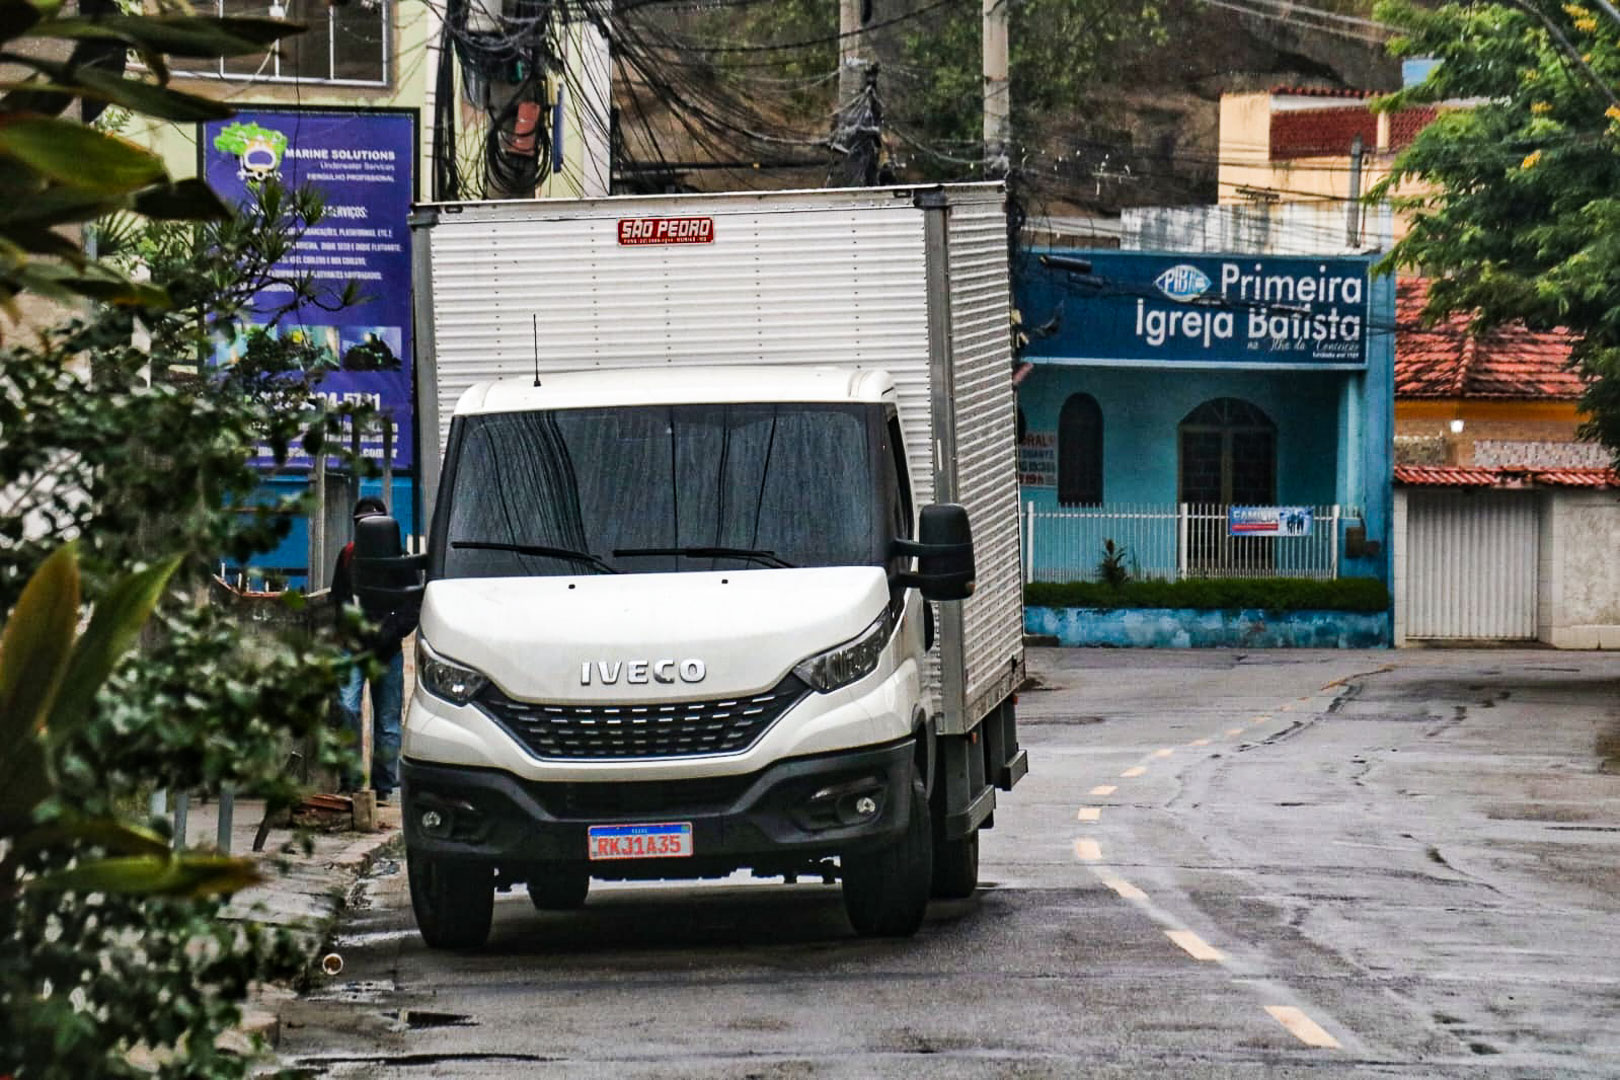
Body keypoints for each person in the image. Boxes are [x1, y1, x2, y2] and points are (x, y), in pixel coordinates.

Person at [331, 496, 407, 803]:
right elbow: (337, 598)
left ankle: (383, 787)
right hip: (354, 648)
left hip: (387, 651)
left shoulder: (398, 559)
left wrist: (387, 634)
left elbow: (411, 605)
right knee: (347, 707)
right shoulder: (348, 556)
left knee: (387, 723)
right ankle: (350, 781)